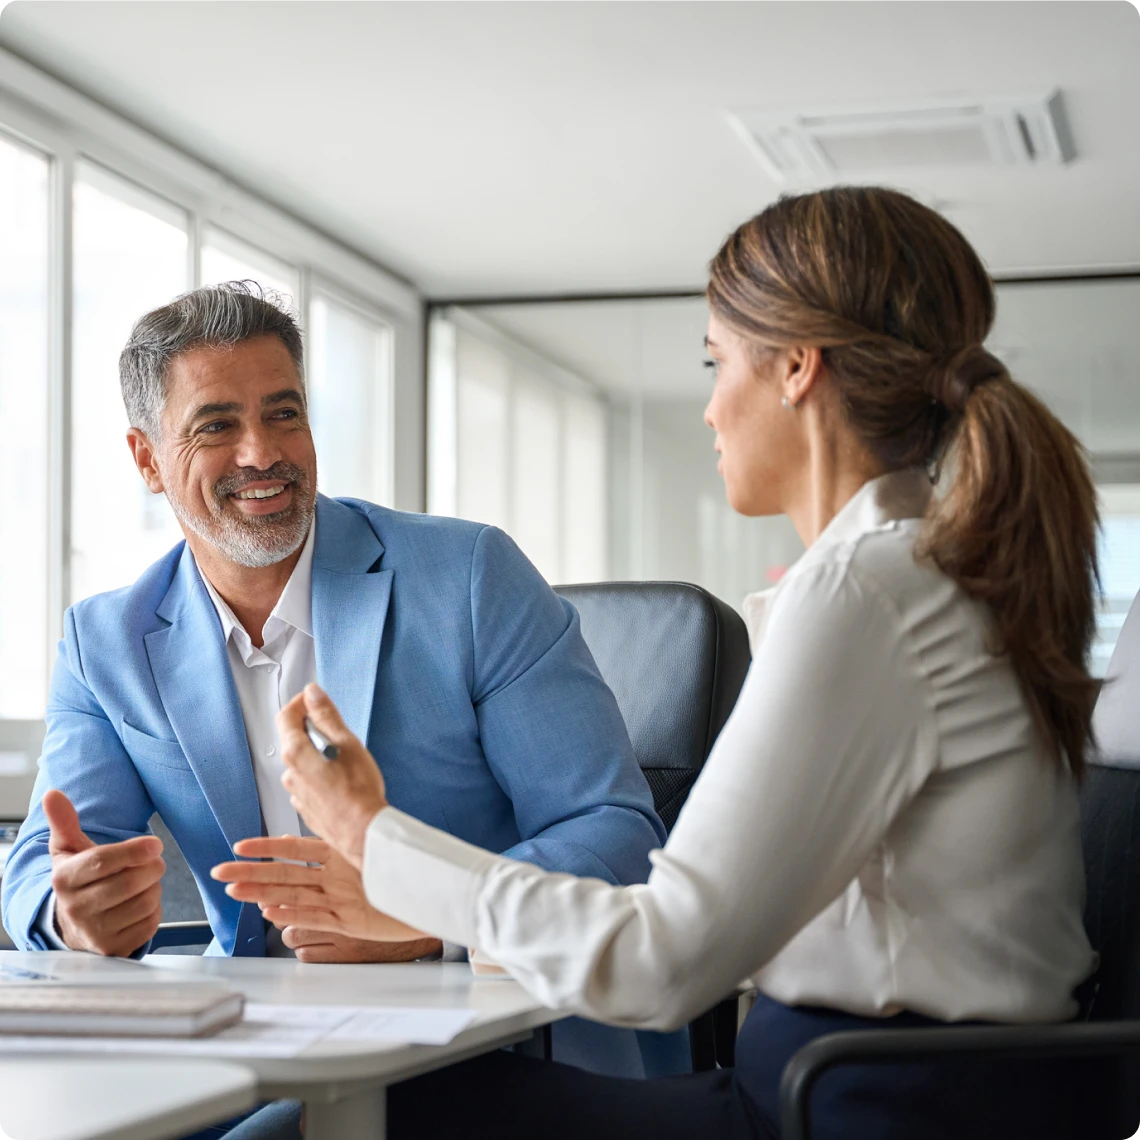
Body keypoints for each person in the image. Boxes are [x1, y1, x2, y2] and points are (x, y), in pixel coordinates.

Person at [216, 186, 1100, 1140]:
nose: (713, 407)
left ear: (798, 367)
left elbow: (665, 960)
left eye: (719, 362)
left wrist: (375, 840)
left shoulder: (870, 594)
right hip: (853, 1089)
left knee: (358, 1122)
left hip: (861, 1111)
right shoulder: (907, 575)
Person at [0, 281, 684, 1083]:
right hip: (254, 1053)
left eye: (283, 413)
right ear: (148, 460)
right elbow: (47, 860)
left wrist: (427, 918)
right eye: (217, 425)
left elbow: (615, 830)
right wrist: (71, 910)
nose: (263, 452)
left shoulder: (467, 577)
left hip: (499, 1041)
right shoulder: (105, 641)